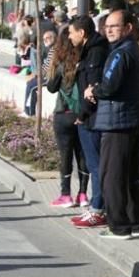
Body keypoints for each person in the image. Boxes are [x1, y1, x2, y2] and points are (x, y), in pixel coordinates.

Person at [83, 9, 139, 239]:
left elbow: (109, 85)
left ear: (128, 28)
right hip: (132, 121)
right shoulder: (134, 50)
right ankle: (136, 223)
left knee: (112, 176)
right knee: (133, 175)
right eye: (106, 26)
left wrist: (93, 90)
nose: (108, 30)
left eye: (114, 26)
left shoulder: (120, 53)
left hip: (117, 122)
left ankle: (119, 226)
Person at [69, 15, 110, 227]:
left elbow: (90, 90)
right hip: (90, 117)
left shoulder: (96, 52)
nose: (69, 36)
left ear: (82, 32)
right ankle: (97, 206)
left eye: (71, 32)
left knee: (96, 166)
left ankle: (98, 209)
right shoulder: (88, 51)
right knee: (95, 165)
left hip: (93, 119)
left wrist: (82, 115)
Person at [45, 29, 89, 208]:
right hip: (82, 115)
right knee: (82, 154)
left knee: (65, 155)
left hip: (63, 114)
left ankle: (65, 195)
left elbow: (51, 87)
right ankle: (83, 194)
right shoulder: (84, 60)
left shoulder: (61, 63)